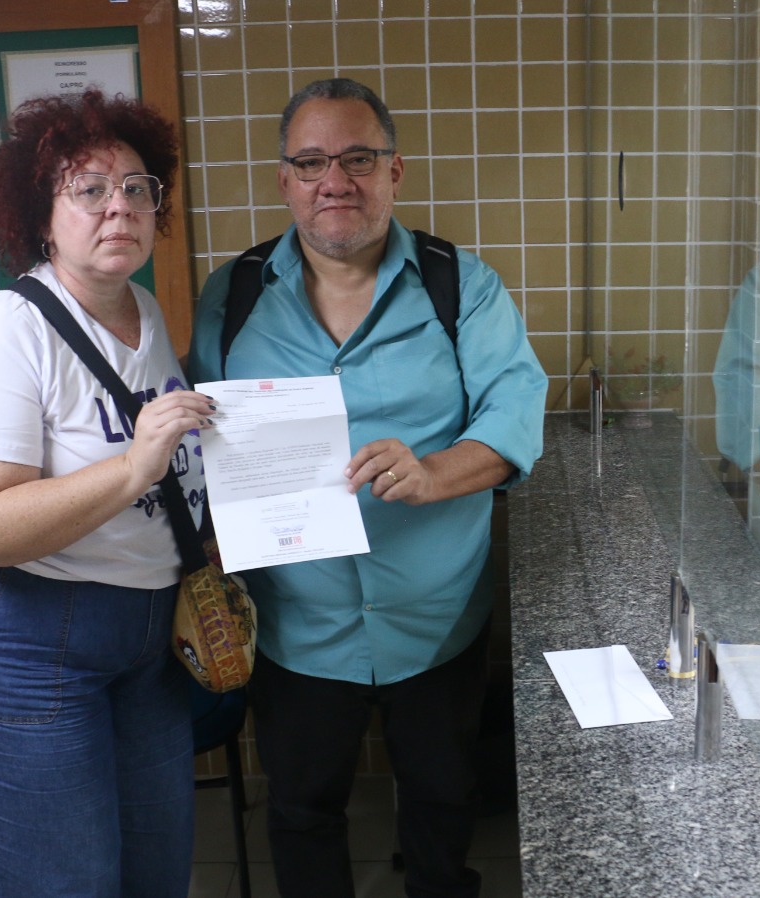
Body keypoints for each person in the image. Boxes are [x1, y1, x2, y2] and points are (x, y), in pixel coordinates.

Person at [186, 78, 547, 898]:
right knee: (302, 809)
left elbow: (516, 412)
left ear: (395, 171)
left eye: (357, 159)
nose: (334, 181)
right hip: (296, 620)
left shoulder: (461, 285)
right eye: (311, 163)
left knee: (443, 799)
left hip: (436, 614)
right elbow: (207, 437)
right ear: (285, 180)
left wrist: (434, 472)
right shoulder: (232, 295)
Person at [0, 89, 213, 897]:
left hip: (144, 634)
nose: (120, 206)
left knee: (157, 865)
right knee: (61, 879)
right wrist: (133, 468)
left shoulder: (143, 310)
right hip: (23, 633)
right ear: (41, 217)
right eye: (90, 189)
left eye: (138, 188)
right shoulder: (2, 331)